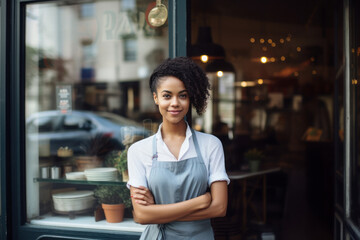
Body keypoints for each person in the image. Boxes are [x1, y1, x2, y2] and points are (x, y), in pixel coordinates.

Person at [127, 57, 230, 239]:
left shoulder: (211, 145)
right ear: (156, 98)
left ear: (190, 98)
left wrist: (157, 212)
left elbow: (220, 208)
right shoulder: (138, 151)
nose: (175, 103)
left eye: (182, 95)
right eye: (167, 95)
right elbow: (141, 215)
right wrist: (200, 201)